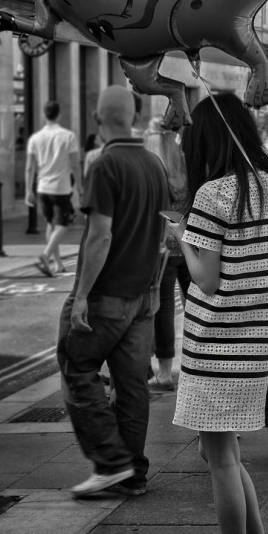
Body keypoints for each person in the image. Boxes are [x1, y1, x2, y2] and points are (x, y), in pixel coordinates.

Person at [168, 94, 268, 534]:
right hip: (255, 339)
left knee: (218, 455)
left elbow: (207, 278)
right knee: (223, 449)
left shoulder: (214, 195)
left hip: (214, 342)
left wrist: (181, 237)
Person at [57, 86, 170, 498]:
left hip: (106, 295)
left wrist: (82, 294)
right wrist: (156, 288)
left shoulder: (106, 164)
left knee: (77, 367)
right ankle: (134, 474)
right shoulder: (153, 163)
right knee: (131, 385)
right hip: (142, 296)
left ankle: (109, 462)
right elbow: (162, 233)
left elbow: (100, 236)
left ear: (97, 118)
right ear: (135, 116)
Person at [143, 115, 192, 390]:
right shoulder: (185, 161)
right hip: (190, 244)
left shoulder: (153, 165)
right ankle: (199, 363)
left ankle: (164, 372)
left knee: (162, 309)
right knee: (195, 307)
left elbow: (161, 209)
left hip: (164, 247)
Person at [26, 99, 81, 276]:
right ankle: (46, 254)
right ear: (59, 115)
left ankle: (58, 264)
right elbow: (75, 165)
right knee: (63, 224)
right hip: (61, 188)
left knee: (51, 224)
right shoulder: (68, 136)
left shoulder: (35, 138)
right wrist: (80, 186)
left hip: (42, 188)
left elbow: (29, 167)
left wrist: (28, 190)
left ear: (44, 115)